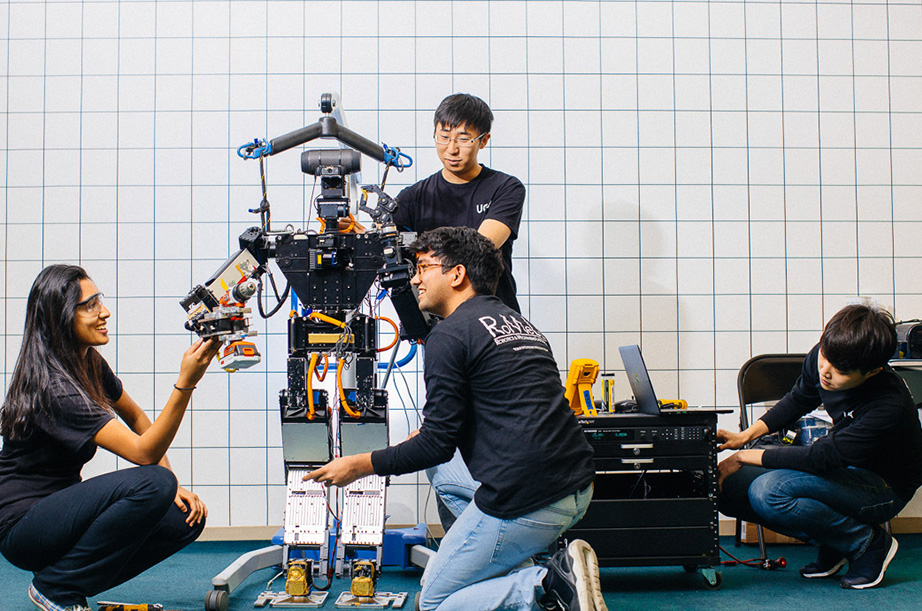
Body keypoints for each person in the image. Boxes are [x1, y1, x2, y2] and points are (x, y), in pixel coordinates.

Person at [304, 227, 606, 611]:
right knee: (445, 475)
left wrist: (359, 465)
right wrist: (429, 434)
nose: (414, 278)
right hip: (576, 484)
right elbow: (505, 407)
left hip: (528, 498)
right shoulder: (519, 324)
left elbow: (437, 444)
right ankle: (514, 564)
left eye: (424, 267)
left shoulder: (449, 336)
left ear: (457, 274)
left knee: (433, 601)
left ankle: (546, 587)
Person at [0, 264, 221, 611]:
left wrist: (172, 486)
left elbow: (135, 416)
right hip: (24, 527)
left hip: (60, 516)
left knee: (184, 518)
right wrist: (186, 383)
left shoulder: (87, 363)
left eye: (99, 300)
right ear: (60, 318)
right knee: (154, 483)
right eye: (89, 305)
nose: (104, 312)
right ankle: (56, 587)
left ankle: (67, 579)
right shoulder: (54, 389)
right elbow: (143, 453)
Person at [717, 304, 922, 589]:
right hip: (844, 472)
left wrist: (743, 456)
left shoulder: (888, 404)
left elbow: (821, 458)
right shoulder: (828, 352)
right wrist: (745, 436)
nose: (826, 372)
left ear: (873, 371)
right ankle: (837, 543)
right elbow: (799, 398)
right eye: (825, 359)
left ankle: (868, 544)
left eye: (841, 372)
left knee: (770, 492)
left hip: (884, 488)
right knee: (725, 488)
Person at [393, 92, 525, 313]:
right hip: (436, 319)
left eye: (463, 139)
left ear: (483, 140)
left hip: (492, 315)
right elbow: (381, 247)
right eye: (443, 137)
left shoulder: (505, 188)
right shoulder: (413, 196)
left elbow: (481, 247)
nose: (452, 149)